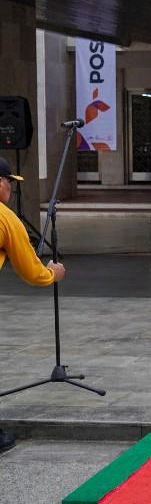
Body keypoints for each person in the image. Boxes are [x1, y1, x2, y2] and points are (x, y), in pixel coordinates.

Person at [0, 157, 66, 453]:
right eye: (10, 183)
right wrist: (52, 274)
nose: (11, 189)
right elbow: (30, 270)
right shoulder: (6, 218)